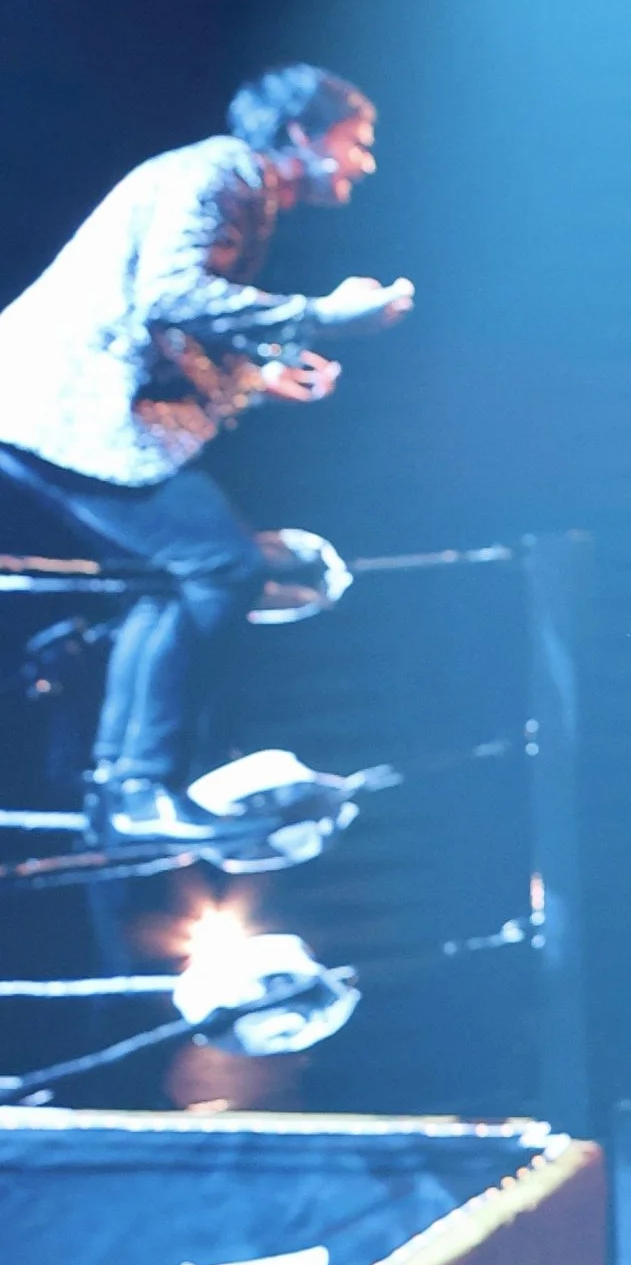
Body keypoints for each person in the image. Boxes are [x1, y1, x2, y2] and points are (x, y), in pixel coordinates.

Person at [0, 66, 412, 849]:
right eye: (354, 141)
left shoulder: (231, 184)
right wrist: (323, 315)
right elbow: (168, 295)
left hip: (47, 408)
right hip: (61, 411)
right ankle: (137, 785)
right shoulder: (221, 173)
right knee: (221, 565)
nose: (364, 162)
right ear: (301, 134)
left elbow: (170, 323)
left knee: (177, 579)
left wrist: (257, 379)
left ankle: (128, 790)